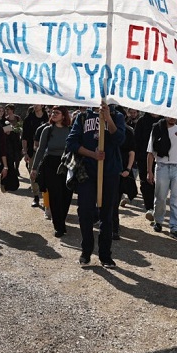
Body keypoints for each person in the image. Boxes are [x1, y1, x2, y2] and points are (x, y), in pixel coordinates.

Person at [67, 98, 127, 267]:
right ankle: (86, 251)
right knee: (85, 211)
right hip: (87, 172)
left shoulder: (118, 116)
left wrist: (108, 118)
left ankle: (105, 255)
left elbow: (120, 140)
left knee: (106, 214)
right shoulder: (83, 117)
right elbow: (71, 143)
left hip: (110, 172)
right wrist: (92, 154)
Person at [30, 106, 73, 237]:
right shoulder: (47, 130)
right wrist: (34, 167)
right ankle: (59, 226)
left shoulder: (71, 130)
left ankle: (61, 219)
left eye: (57, 112)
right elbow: (40, 149)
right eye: (52, 112)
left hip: (66, 164)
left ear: (64, 115)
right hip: (51, 164)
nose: (53, 114)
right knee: (55, 195)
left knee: (66, 195)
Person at [146, 116, 177, 241]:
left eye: (175, 116)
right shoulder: (157, 130)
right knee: (160, 197)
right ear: (165, 115)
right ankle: (158, 221)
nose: (173, 118)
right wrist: (149, 171)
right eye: (170, 116)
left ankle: (175, 228)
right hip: (162, 167)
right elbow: (150, 153)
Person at [112, 110, 136, 240]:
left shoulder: (128, 131)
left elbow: (132, 152)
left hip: (122, 172)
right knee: (110, 201)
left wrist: (128, 169)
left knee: (115, 201)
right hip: (108, 171)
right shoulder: (104, 130)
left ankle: (114, 229)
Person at [134, 111, 160, 221]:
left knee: (158, 184)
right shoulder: (142, 121)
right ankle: (149, 208)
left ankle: (157, 207)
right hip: (143, 158)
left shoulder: (164, 122)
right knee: (146, 183)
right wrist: (136, 156)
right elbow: (135, 140)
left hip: (160, 159)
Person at [22, 104, 48, 207]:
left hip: (46, 151)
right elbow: (24, 137)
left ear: (42, 105)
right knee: (33, 172)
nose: (35, 105)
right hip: (32, 151)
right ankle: (36, 196)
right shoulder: (28, 119)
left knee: (46, 173)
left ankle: (46, 197)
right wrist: (25, 152)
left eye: (38, 103)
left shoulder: (48, 117)